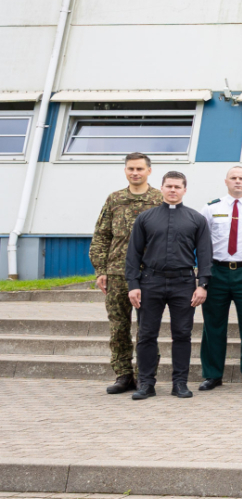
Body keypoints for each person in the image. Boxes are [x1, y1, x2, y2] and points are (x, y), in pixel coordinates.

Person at [124, 172, 210, 400]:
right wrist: (133, 284)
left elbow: (204, 254)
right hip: (150, 281)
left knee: (182, 334)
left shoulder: (196, 219)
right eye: (169, 186)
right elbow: (132, 254)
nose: (173, 190)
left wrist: (202, 284)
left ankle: (180, 383)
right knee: (146, 334)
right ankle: (146, 384)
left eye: (177, 187)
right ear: (161, 188)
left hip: (183, 283)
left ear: (184, 190)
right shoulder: (145, 218)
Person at [91, 152, 164, 396]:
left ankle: (146, 376)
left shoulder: (159, 198)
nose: (135, 173)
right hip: (117, 273)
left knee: (147, 329)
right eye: (131, 169)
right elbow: (102, 235)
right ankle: (123, 374)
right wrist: (100, 269)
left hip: (149, 274)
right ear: (125, 171)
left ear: (149, 171)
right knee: (119, 327)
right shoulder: (115, 199)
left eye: (140, 169)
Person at [198, 166, 242, 392]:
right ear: (226, 181)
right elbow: (201, 244)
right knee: (213, 325)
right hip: (217, 272)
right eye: (233, 178)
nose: (238, 182)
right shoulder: (210, 209)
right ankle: (212, 374)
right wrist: (202, 277)